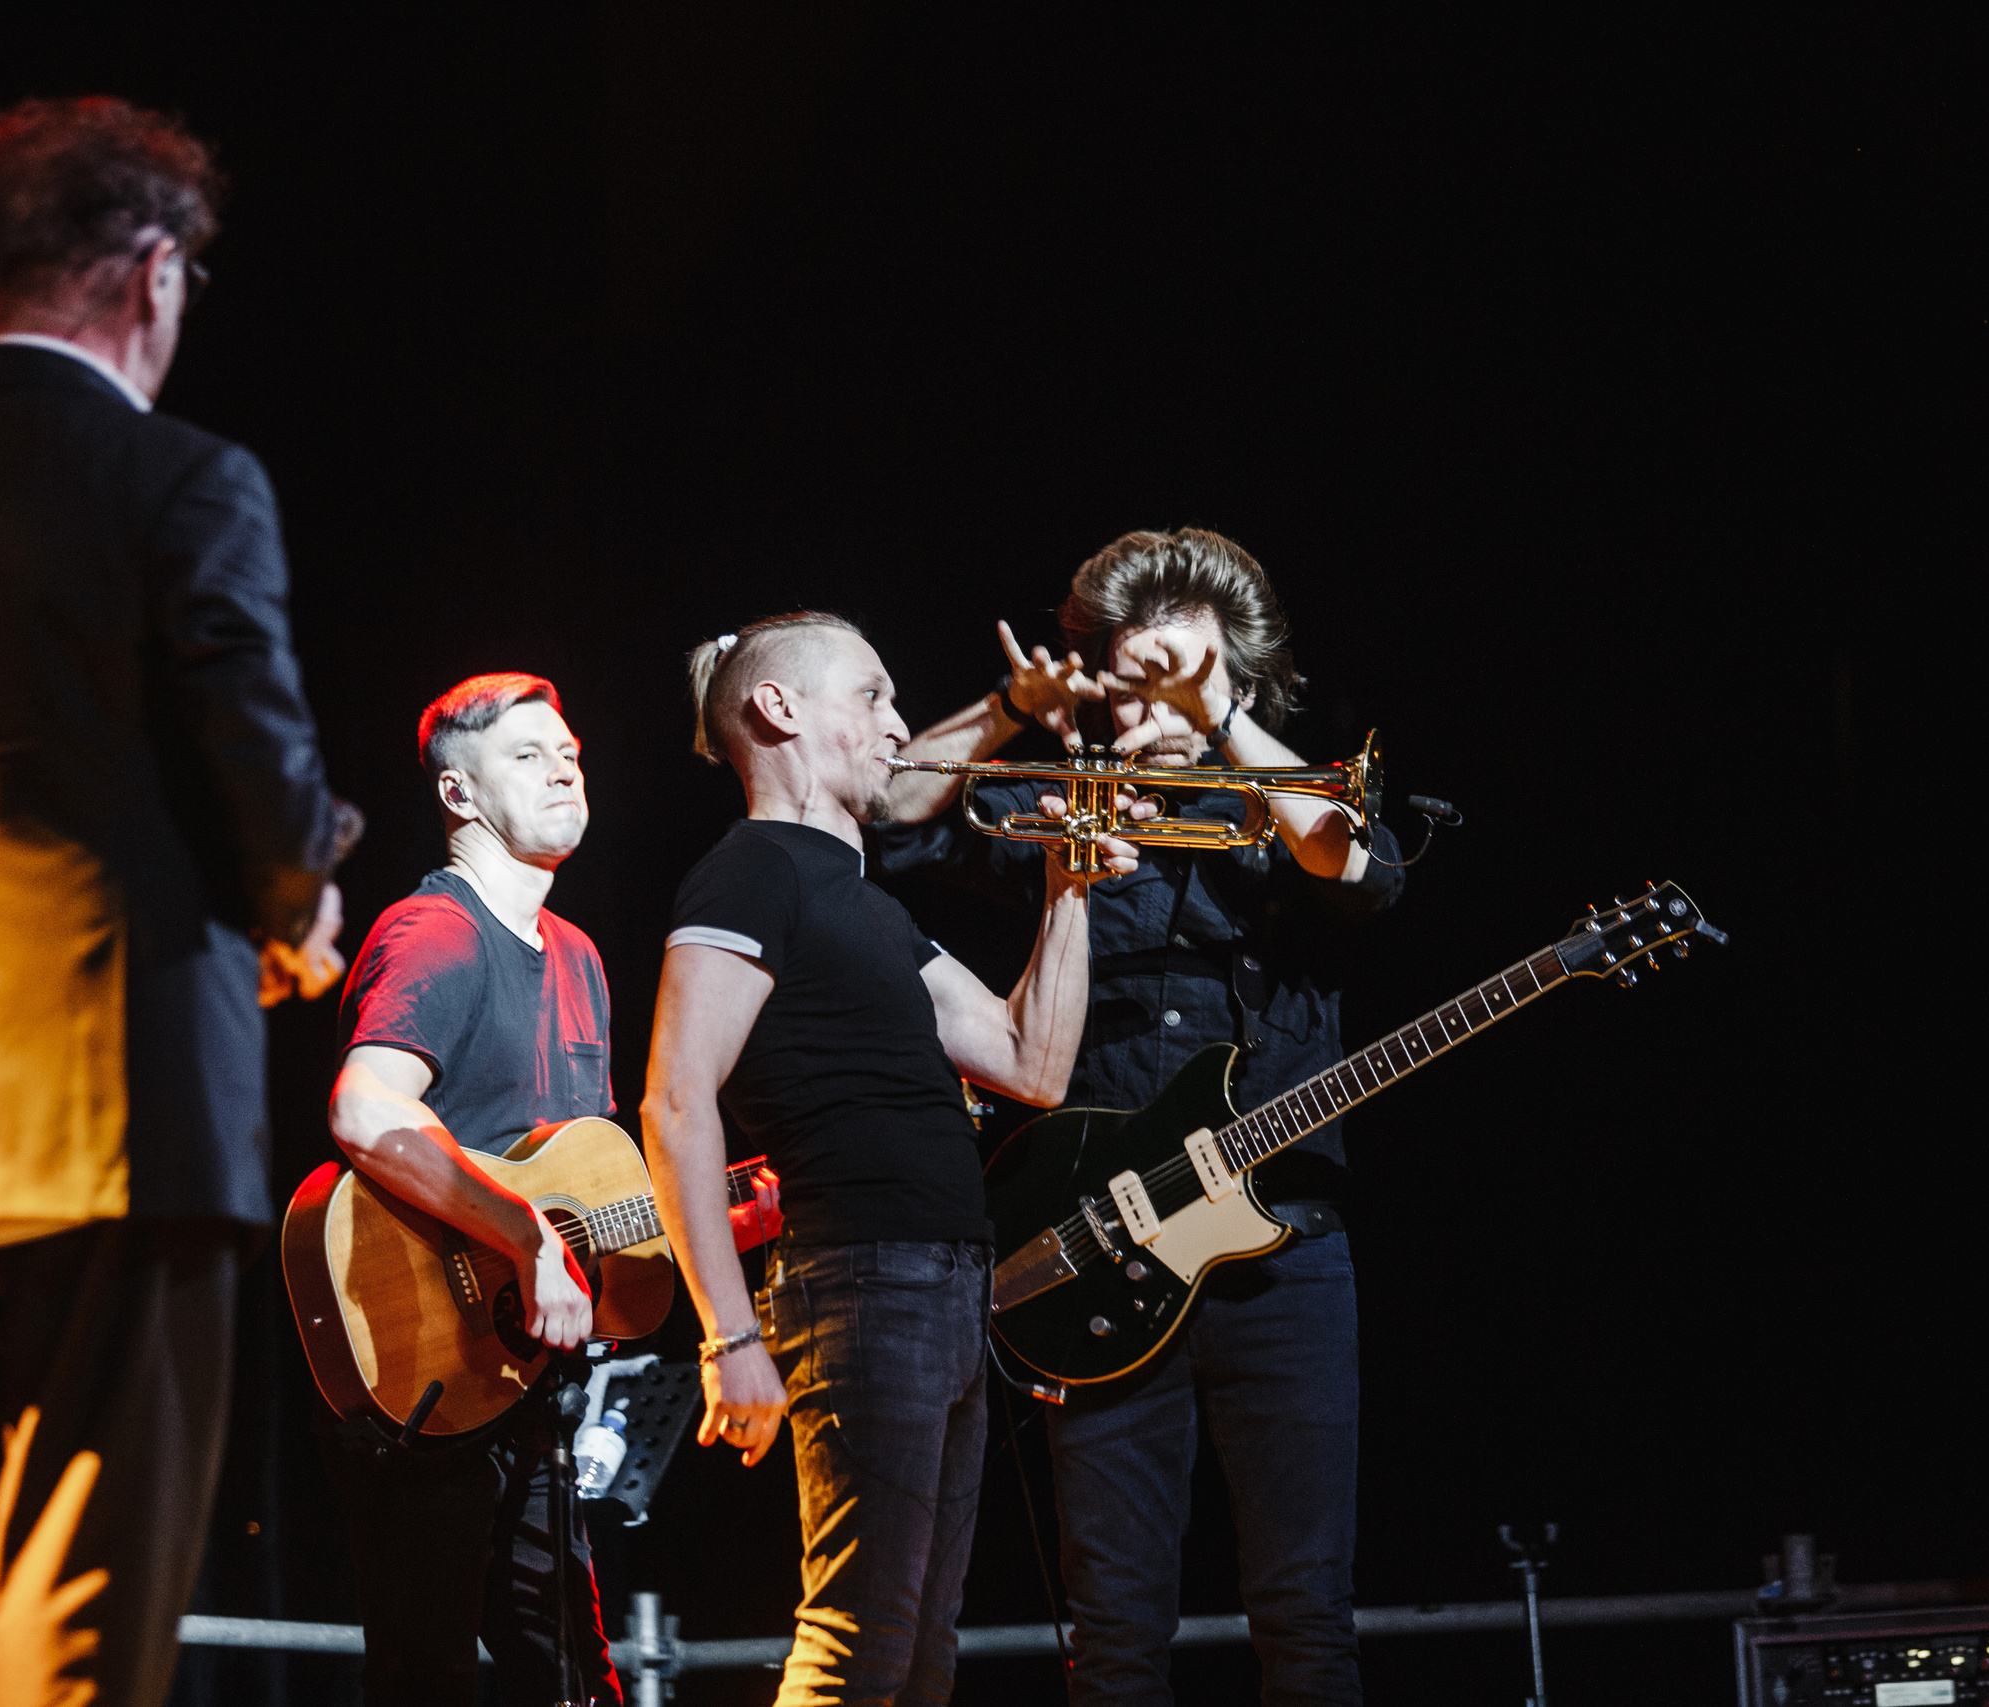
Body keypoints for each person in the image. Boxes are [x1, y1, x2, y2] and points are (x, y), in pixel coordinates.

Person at [0, 97, 359, 1707]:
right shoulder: (183, 477)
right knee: (85, 1619)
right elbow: (261, 772)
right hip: (131, 1126)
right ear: (149, 269)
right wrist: (294, 894)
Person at [872, 527, 1405, 1705]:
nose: (1148, 698)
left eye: (1185, 671)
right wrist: (1013, 709)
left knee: (1306, 1614)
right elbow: (884, 819)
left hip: (1286, 1258)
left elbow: (1364, 871)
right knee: (1112, 1630)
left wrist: (1216, 719)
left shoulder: (1288, 806)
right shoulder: (1058, 805)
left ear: (1240, 676)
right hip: (1097, 1252)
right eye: (1135, 674)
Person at [641, 612, 1136, 1707]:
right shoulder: (748, 875)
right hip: (859, 1283)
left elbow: (1030, 1063)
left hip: (949, 1290)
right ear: (777, 709)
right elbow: (675, 1104)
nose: (898, 723)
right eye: (870, 694)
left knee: (918, 1656)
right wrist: (727, 1336)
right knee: (860, 1645)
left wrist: (1067, 889)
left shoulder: (867, 906)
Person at [320, 672, 651, 1706]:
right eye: (527, 755)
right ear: (457, 796)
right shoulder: (438, 935)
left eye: (571, 753)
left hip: (528, 1386)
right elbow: (367, 1110)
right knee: (427, 1679)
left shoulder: (581, 956)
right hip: (427, 1364)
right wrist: (524, 1234)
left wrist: (717, 1216)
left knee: (572, 1681)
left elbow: (585, 1187)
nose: (563, 767)